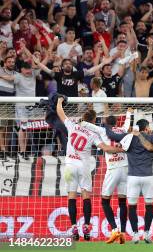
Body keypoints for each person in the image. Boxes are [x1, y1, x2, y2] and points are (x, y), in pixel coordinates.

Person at [48, 95, 122, 241]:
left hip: (69, 166)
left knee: (71, 196)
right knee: (86, 196)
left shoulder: (72, 126)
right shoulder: (93, 134)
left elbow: (59, 111)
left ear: (83, 117)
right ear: (93, 121)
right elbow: (106, 148)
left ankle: (74, 226)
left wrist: (60, 101)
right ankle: (86, 227)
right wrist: (120, 149)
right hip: (83, 167)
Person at [103, 116, 153, 244]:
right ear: (147, 128)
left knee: (132, 206)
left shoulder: (129, 137)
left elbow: (112, 135)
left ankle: (136, 235)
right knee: (149, 206)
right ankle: (147, 233)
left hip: (133, 177)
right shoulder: (151, 138)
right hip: (148, 177)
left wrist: (106, 125)